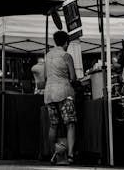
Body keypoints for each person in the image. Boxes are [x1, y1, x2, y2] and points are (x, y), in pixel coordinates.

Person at [44, 30, 78, 165]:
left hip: (49, 93)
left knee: (53, 125)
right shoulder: (66, 56)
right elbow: (73, 77)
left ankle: (54, 154)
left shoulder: (47, 55)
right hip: (64, 92)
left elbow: (45, 76)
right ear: (66, 43)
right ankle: (70, 155)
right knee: (70, 123)